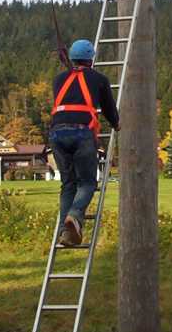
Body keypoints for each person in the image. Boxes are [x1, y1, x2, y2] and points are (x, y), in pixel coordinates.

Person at [48, 39, 120, 246]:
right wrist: (116, 124)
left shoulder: (59, 80)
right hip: (82, 133)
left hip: (57, 133)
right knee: (87, 182)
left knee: (68, 184)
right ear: (91, 59)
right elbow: (108, 109)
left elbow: (73, 95)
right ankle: (74, 215)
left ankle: (66, 231)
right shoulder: (99, 79)